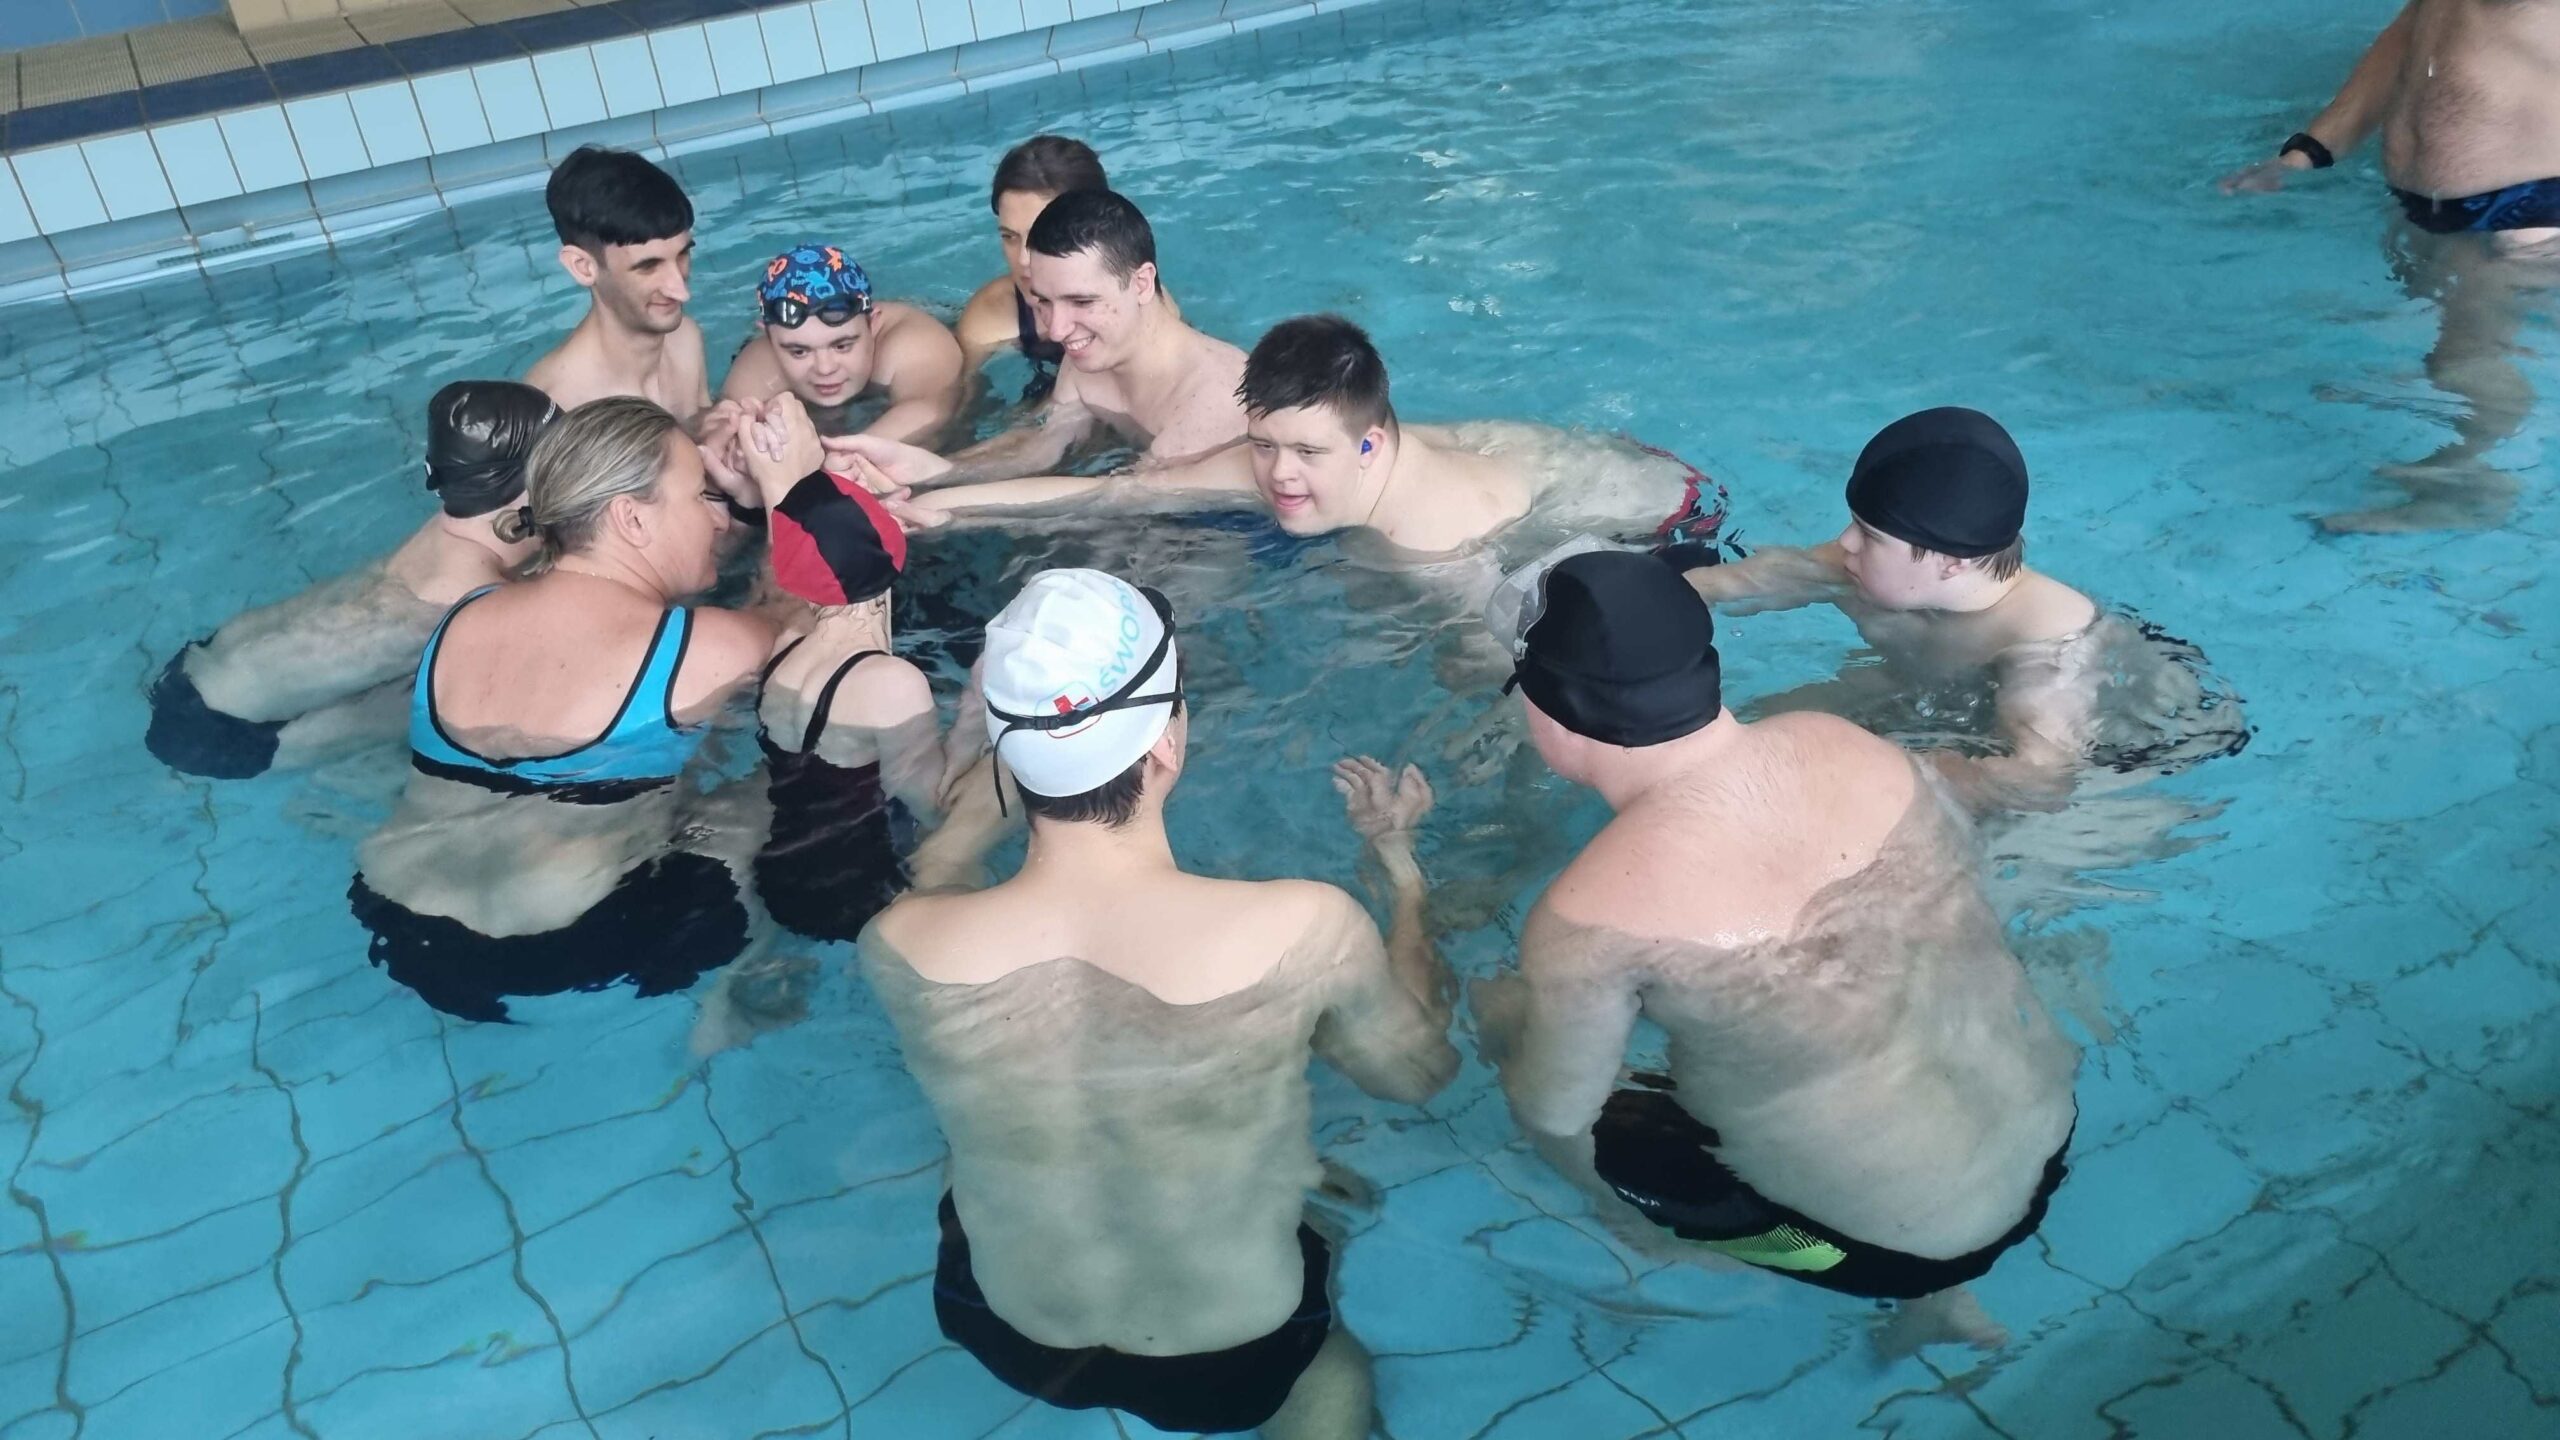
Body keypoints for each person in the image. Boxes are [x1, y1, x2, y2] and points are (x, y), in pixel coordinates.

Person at [859, 568, 1457, 1437]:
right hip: (1230, 1355)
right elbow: (1416, 1075)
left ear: (1010, 759)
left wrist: (974, 812)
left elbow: (941, 870)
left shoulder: (902, 941)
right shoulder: (1304, 926)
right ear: (1168, 741)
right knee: (1331, 1360)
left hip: (1006, 1326)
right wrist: (1402, 874)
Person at [1473, 549, 2079, 1354]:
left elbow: (1557, 1116)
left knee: (1507, 1024)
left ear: (1548, 714)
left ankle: (1886, 1285)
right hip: (2046, 1147)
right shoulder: (1848, 745)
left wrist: (1620, 1211)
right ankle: (1944, 1301)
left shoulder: (1588, 920)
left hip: (1869, 1250)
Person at [349, 395, 777, 1022]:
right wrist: (775, 498)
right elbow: (819, 612)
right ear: (631, 517)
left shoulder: (466, 613)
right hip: (574, 946)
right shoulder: (712, 646)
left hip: (396, 919)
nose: (716, 519)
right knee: (781, 779)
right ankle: (741, 990)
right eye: (701, 496)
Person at [842, 314, 1733, 576]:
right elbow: (1115, 493)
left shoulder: (1434, 542)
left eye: (1307, 453)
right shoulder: (1280, 451)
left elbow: (1514, 685)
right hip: (1508, 451)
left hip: (1660, 510)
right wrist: (938, 496)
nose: (1278, 474)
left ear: (1369, 445)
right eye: (1267, 445)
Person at [1675, 408, 2249, 814]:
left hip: (2116, 766)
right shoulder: (1868, 570)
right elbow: (1724, 586)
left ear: (1953, 562)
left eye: (1869, 535)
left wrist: (1875, 769)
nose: (1845, 543)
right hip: (1928, 700)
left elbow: (2041, 781)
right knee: (1739, 742)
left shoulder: (2049, 655)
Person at [2218, 0, 2560, 532]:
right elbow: (2408, 40)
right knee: (2441, 328)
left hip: (2523, 214)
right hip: (2437, 207)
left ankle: (2468, 485)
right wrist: (2308, 152)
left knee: (2465, 359)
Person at [146, 380, 558, 779]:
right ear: (525, 490)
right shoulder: (472, 594)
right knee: (448, 706)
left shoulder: (447, 528)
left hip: (203, 663)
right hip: (222, 734)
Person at [750, 458, 960, 943]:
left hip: (783, 873)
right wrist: (972, 721)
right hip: (867, 888)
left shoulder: (786, 646)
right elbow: (934, 807)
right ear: (894, 554)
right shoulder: (889, 683)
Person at [911, 188, 1248, 486]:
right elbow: (1043, 446)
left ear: (1142, 283)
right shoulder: (1094, 352)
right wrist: (932, 471)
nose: (1058, 331)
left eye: (1082, 302)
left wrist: (940, 506)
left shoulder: (1215, 398)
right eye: (1044, 301)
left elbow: (1119, 500)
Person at [524, 146, 714, 421]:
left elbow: (699, 422)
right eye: (648, 266)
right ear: (583, 267)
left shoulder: (685, 340)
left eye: (683, 255)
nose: (681, 291)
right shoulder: (560, 407)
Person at [712, 242, 965, 447]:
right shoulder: (759, 360)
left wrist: (829, 463)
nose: (825, 368)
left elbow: (929, 411)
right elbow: (720, 433)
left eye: (842, 346)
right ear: (768, 338)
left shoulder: (915, 342)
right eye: (799, 351)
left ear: (873, 324)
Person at [955, 135, 1108, 401]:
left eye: (1042, 235)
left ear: (1095, 229)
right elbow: (965, 407)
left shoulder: (1140, 301)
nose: (1024, 259)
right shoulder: (992, 315)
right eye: (1009, 237)